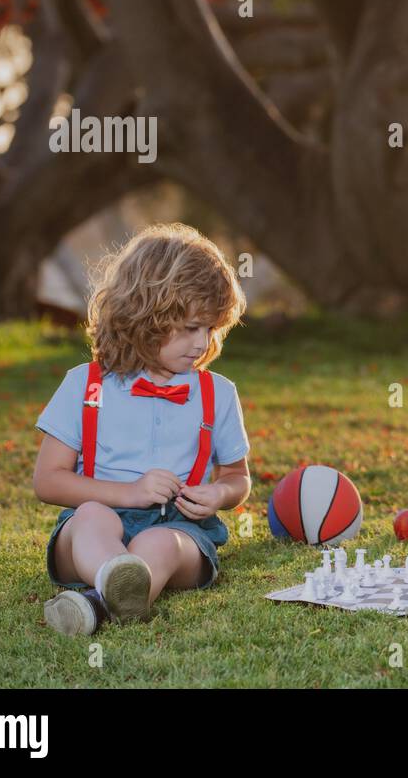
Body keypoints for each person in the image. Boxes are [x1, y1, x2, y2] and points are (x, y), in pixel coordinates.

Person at [33, 223, 252, 635]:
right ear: (143, 317)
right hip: (89, 533)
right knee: (94, 518)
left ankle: (99, 603)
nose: (202, 342)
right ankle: (115, 584)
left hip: (178, 529)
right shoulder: (86, 384)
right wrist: (129, 493)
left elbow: (238, 478)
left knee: (161, 544)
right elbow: (47, 481)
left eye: (211, 328)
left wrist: (219, 493)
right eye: (190, 328)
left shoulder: (216, 393)